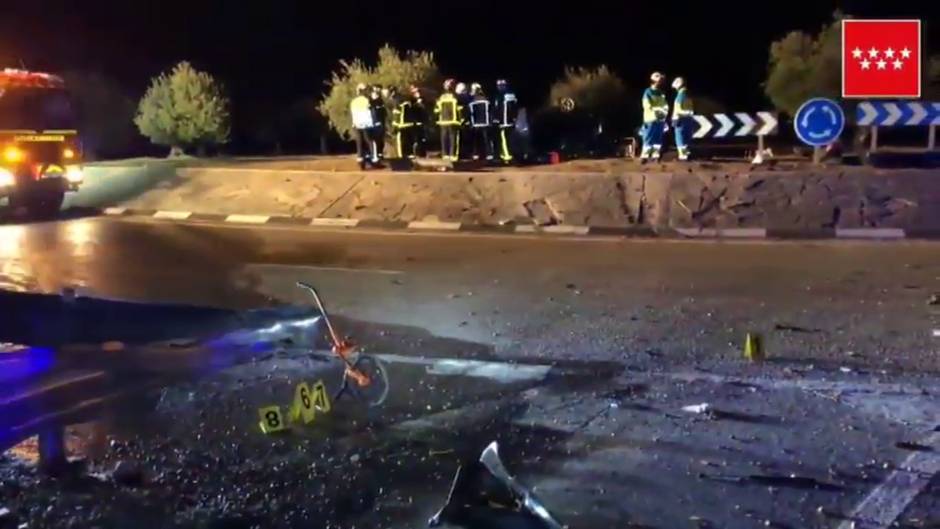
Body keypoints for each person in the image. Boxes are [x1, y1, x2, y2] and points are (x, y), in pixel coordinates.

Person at [640, 72, 669, 163]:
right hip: (650, 119)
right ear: (654, 81)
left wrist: (664, 113)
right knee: (648, 137)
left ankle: (656, 155)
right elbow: (646, 105)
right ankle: (645, 156)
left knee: (658, 138)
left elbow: (665, 105)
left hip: (660, 120)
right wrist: (656, 112)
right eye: (659, 80)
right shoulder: (648, 92)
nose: (660, 82)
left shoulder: (660, 93)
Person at [435, 79, 463, 161]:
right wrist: (461, 121)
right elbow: (459, 110)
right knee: (453, 139)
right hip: (453, 122)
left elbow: (436, 110)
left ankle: (445, 155)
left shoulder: (441, 97)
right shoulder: (455, 97)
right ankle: (453, 156)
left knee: (444, 139)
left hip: (443, 122)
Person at [350, 83, 376, 169]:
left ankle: (361, 160)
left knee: (359, 143)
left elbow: (353, 113)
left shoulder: (354, 101)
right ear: (364, 91)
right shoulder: (367, 100)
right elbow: (372, 111)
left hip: (357, 124)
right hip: (366, 124)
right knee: (369, 142)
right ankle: (373, 160)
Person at [492, 79, 519, 163]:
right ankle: (511, 155)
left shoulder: (499, 96)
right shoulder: (512, 95)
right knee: (511, 139)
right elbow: (515, 108)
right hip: (510, 122)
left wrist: (496, 119)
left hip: (503, 122)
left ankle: (507, 157)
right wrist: (514, 118)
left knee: (504, 140)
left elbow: (497, 109)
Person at [468, 83, 494, 161]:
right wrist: (490, 121)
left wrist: (471, 123)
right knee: (486, 140)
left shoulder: (472, 102)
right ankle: (489, 154)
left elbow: (471, 114)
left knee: (476, 141)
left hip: (476, 124)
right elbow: (490, 112)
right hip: (485, 123)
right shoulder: (486, 100)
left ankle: (476, 154)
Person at [671, 77, 694, 161]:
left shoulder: (680, 96)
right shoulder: (688, 95)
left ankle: (683, 156)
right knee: (687, 137)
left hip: (680, 119)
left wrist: (675, 118)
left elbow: (678, 109)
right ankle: (687, 153)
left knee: (680, 137)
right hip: (688, 119)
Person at [369, 85, 388, 163]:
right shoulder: (369, 101)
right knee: (374, 140)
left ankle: (380, 155)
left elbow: (384, 113)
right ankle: (374, 156)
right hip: (372, 123)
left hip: (380, 123)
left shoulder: (381, 101)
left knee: (380, 140)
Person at [454, 82, 471, 160]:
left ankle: (462, 154)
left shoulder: (458, 98)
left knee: (461, 139)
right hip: (465, 121)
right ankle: (466, 154)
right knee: (465, 139)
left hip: (460, 122)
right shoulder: (467, 98)